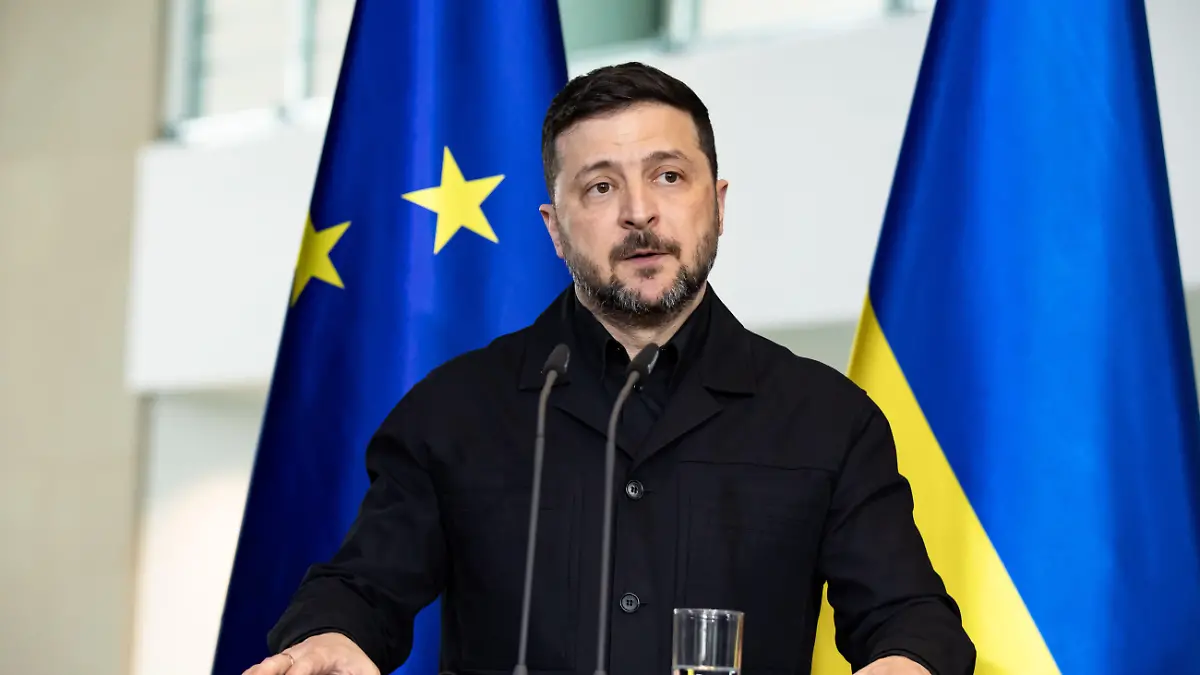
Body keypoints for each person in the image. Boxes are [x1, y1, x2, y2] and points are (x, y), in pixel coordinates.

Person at [244, 62, 975, 675]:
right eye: (599, 186)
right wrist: (332, 635)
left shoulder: (828, 420)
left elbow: (907, 611)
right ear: (554, 229)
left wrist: (906, 658)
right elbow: (360, 587)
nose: (638, 213)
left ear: (717, 206)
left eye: (668, 176)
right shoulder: (452, 411)